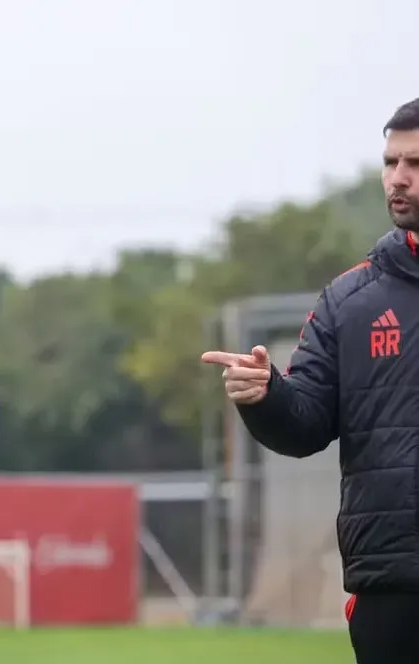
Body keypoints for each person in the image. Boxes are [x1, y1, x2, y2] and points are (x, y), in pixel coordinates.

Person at [201, 97, 419, 664]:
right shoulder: (350, 300)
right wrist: (266, 394)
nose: (398, 179)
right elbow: (304, 427)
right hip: (394, 582)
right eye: (391, 162)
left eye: (415, 164)